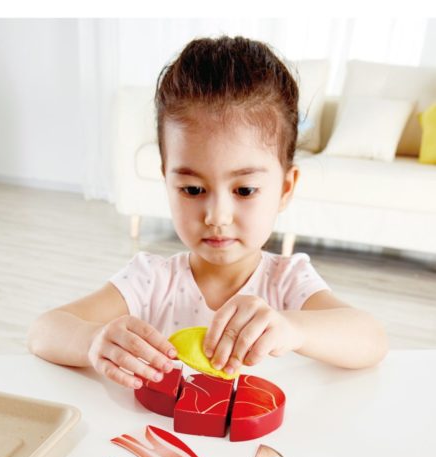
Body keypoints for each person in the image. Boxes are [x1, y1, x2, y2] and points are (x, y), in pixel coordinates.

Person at [27, 36, 388, 389]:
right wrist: (93, 340)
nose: (217, 216)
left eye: (244, 190)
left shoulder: (287, 283)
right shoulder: (151, 281)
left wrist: (293, 328)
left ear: (285, 189)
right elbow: (44, 330)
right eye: (192, 189)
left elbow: (371, 339)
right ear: (167, 180)